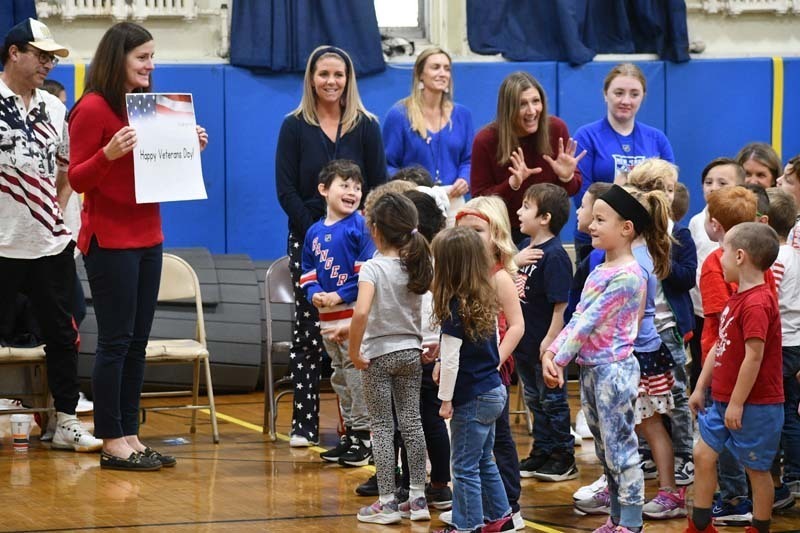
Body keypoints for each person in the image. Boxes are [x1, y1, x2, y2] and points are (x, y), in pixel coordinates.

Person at [69, 21, 208, 470]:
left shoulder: (148, 108)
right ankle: (111, 439)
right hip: (108, 239)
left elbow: (158, 172)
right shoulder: (90, 109)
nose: (151, 64)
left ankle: (130, 434)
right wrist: (107, 154)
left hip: (148, 235)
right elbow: (76, 179)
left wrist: (189, 147)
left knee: (136, 343)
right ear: (119, 59)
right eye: (142, 57)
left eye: (152, 56)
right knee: (115, 341)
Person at [275, 45, 387, 447]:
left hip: (359, 242)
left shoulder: (367, 125)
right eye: (323, 74)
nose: (331, 81)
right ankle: (303, 424)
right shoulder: (293, 126)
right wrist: (318, 232)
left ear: (348, 79)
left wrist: (352, 229)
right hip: (308, 237)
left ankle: (362, 427)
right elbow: (285, 189)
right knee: (309, 329)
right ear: (311, 78)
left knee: (356, 330)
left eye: (338, 75)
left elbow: (378, 185)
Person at [0, 18, 102, 453]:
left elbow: (66, 171)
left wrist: (51, 215)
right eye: (40, 55)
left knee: (62, 335)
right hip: (2, 245)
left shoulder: (55, 108)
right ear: (14, 53)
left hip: (50, 244)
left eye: (52, 57)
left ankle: (64, 421)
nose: (47, 64)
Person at [543, 184, 669, 533]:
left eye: (600, 219)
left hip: (614, 371)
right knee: (604, 448)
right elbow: (579, 314)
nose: (590, 226)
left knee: (621, 448)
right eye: (592, 218)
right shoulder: (600, 268)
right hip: (591, 369)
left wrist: (557, 354)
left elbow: (589, 319)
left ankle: (631, 521)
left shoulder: (629, 275)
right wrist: (554, 351)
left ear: (626, 228)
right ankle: (615, 517)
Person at [686, 222, 783, 533]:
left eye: (723, 250)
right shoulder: (736, 298)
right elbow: (720, 346)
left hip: (755, 405)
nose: (719, 256)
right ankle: (701, 526)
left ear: (740, 256)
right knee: (702, 454)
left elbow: (753, 358)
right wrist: (701, 386)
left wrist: (737, 404)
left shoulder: (758, 302)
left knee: (756, 470)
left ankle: (759, 526)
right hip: (723, 399)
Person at [349, 192, 432, 525]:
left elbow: (361, 312)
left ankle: (386, 503)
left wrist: (355, 352)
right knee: (412, 423)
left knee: (382, 428)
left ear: (374, 230)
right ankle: (417, 498)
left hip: (379, 356)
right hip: (411, 353)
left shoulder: (372, 268)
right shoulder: (416, 265)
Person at [431, 226, 516, 533]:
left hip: (472, 398)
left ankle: (466, 526)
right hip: (494, 391)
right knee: (483, 459)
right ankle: (500, 517)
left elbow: (452, 362)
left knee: (463, 466)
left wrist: (445, 400)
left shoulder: (455, 307)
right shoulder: (483, 298)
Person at [449, 195, 525, 529]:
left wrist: (497, 360)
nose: (469, 237)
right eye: (463, 231)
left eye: (477, 230)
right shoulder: (465, 279)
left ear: (495, 234)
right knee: (482, 453)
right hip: (474, 373)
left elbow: (517, 326)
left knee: (480, 453)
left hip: (488, 375)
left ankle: (476, 520)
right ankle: (499, 516)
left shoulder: (499, 277)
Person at [300, 160, 374, 467]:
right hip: (327, 321)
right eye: (344, 185)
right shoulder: (314, 232)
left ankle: (364, 437)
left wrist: (340, 295)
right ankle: (349, 435)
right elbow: (307, 271)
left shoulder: (361, 227)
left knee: (358, 377)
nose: (352, 191)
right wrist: (313, 292)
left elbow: (367, 274)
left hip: (353, 318)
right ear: (323, 189)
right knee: (340, 377)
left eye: (357, 186)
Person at [572, 63, 675, 262]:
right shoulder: (586, 136)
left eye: (634, 94)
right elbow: (582, 195)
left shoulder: (657, 139)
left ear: (643, 96)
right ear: (605, 94)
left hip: (646, 235)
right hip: (596, 237)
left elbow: (669, 191)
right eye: (618, 93)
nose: (626, 100)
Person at [470, 71, 584, 243]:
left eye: (536, 101)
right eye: (522, 104)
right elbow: (479, 201)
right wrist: (512, 185)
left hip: (546, 234)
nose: (532, 111)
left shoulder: (556, 129)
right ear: (508, 109)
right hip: (502, 235)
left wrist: (566, 177)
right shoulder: (486, 140)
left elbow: (572, 190)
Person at [513, 183, 576, 482]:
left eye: (526, 206)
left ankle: (563, 457)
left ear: (545, 218)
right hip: (525, 346)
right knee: (535, 400)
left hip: (543, 346)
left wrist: (551, 340)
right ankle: (543, 450)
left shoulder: (554, 256)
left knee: (552, 401)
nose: (519, 211)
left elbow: (560, 304)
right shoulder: (526, 251)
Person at [382, 47, 473, 225]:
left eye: (447, 68)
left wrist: (464, 179)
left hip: (454, 200)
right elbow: (387, 164)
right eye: (436, 67)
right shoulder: (399, 115)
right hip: (414, 204)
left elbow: (469, 159)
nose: (442, 73)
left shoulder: (463, 115)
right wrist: (412, 187)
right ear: (420, 74)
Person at [687, 158, 745, 389]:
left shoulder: (743, 223)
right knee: (702, 361)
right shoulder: (696, 221)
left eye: (722, 183)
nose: (713, 187)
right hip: (701, 308)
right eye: (708, 182)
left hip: (732, 306)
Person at [765, 188, 800, 506]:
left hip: (783, 345)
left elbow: (767, 301)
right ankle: (795, 473)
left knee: (781, 410)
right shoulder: (795, 254)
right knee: (790, 408)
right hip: (795, 343)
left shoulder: (776, 259)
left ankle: (789, 474)